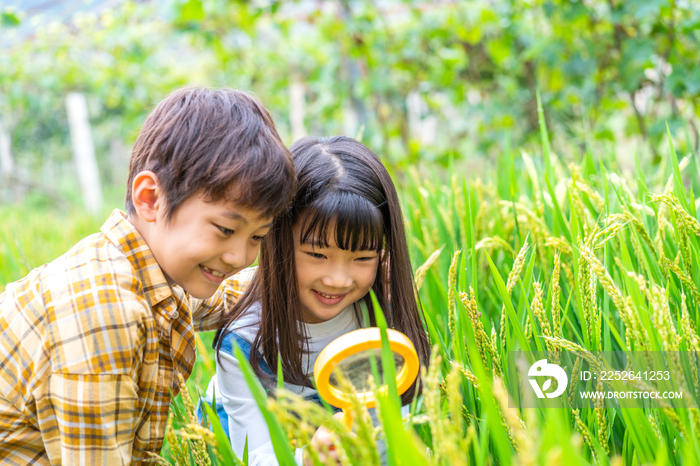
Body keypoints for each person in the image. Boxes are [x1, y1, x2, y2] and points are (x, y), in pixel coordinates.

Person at [0, 87, 296, 465]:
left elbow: (225, 298)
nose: (240, 256)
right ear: (150, 199)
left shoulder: (145, 274)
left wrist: (314, 278)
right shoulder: (105, 312)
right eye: (224, 229)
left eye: (257, 236)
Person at [205, 135, 431, 465]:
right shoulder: (243, 342)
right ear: (277, 238)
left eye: (362, 258)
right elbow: (254, 456)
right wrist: (307, 459)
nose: (337, 280)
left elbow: (390, 430)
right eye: (316, 254)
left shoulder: (379, 316)